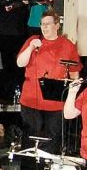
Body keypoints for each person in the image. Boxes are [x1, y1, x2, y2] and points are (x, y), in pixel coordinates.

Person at [16, 9, 80, 148]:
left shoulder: (68, 45)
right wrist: (31, 48)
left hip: (55, 103)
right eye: (42, 24)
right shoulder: (33, 41)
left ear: (57, 25)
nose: (44, 27)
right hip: (31, 99)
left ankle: (49, 168)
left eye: (48, 24)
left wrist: (72, 99)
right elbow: (20, 63)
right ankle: (29, 168)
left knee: (52, 140)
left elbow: (74, 74)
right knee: (30, 138)